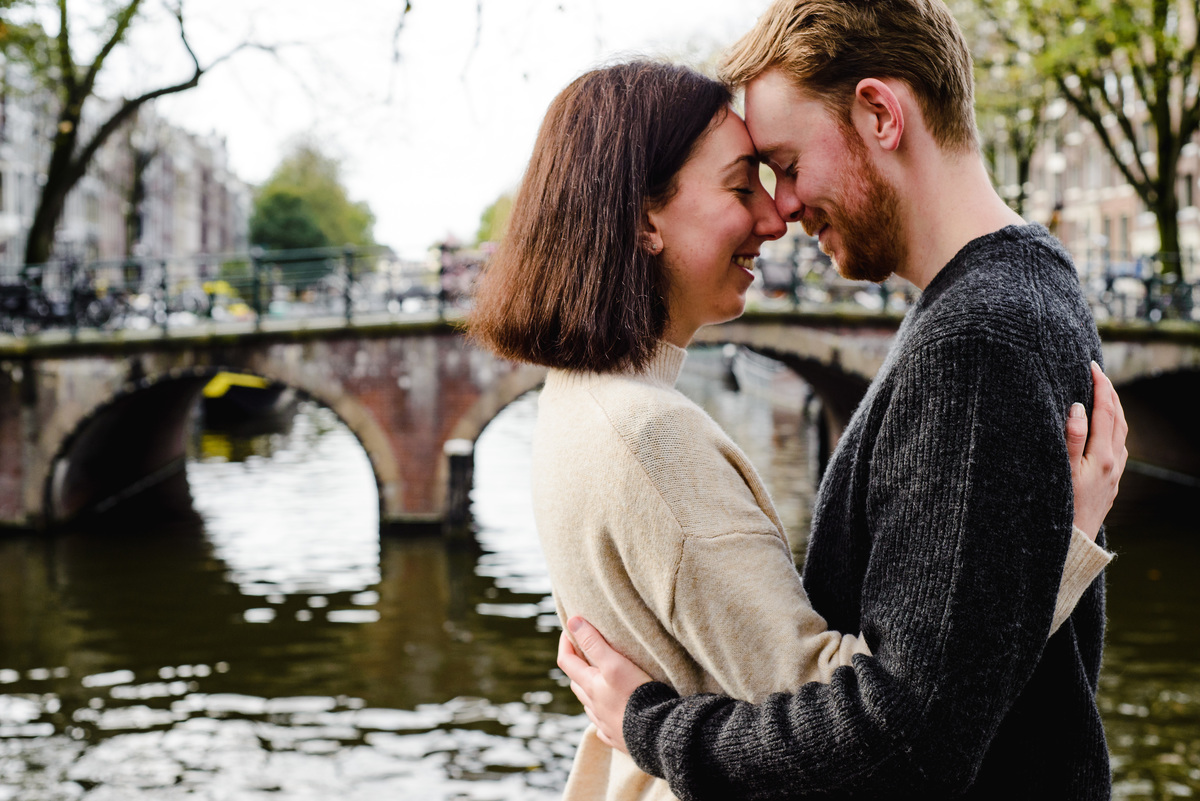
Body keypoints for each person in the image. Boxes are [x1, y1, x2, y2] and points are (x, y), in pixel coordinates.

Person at [470, 57, 1125, 801]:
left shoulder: (580, 399)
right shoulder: (651, 438)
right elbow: (873, 744)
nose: (775, 215)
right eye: (743, 183)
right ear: (644, 217)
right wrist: (1054, 547)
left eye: (778, 173)